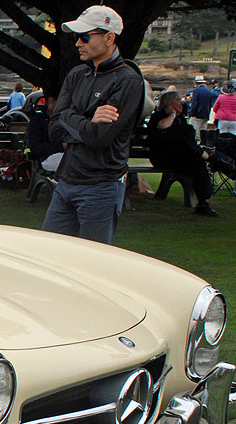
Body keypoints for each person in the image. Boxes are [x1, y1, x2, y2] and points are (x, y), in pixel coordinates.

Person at [40, 5, 143, 245]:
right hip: (66, 180)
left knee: (92, 261)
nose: (78, 43)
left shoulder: (128, 80)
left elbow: (100, 138)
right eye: (77, 36)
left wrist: (70, 117)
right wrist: (86, 120)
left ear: (109, 37)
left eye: (85, 36)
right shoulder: (77, 74)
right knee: (48, 252)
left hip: (101, 186)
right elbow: (54, 128)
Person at [147, 89, 218, 217]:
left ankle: (204, 202)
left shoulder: (181, 119)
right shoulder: (160, 116)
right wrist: (172, 115)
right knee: (187, 147)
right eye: (178, 100)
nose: (182, 103)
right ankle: (211, 159)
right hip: (164, 157)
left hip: (181, 157)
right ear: (169, 104)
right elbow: (163, 127)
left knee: (198, 164)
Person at [28, 93, 64, 172]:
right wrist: (61, 146)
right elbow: (35, 147)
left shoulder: (65, 119)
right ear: (50, 101)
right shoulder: (37, 121)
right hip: (47, 157)